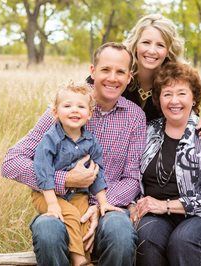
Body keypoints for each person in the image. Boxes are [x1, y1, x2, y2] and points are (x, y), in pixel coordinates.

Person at [2, 42, 146, 266]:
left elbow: (132, 178)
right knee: (47, 230)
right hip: (60, 200)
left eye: (120, 72)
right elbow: (11, 162)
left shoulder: (135, 116)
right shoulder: (67, 108)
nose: (112, 78)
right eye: (105, 70)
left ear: (129, 78)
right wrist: (66, 179)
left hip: (107, 205)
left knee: (120, 231)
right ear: (92, 71)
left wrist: (98, 206)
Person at [130, 62, 201, 266]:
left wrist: (165, 205)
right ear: (158, 99)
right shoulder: (149, 131)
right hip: (160, 216)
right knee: (146, 237)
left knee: (184, 241)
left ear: (193, 98)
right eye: (167, 94)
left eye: (181, 93)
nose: (174, 101)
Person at [32, 82, 122, 266]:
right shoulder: (50, 139)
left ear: (89, 114)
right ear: (55, 113)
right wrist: (52, 204)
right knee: (71, 216)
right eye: (67, 106)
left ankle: (85, 258)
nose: (74, 110)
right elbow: (43, 171)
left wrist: (103, 202)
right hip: (46, 195)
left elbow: (97, 173)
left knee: (85, 220)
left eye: (80, 106)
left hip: (78, 195)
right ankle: (79, 260)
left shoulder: (90, 141)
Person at [122, 13, 201, 138]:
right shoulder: (119, 73)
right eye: (146, 42)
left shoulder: (175, 79)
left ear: (168, 50)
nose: (152, 51)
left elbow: (187, 113)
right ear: (136, 45)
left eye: (160, 45)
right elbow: (90, 93)